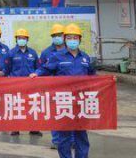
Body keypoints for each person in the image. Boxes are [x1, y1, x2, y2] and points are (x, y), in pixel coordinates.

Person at [31, 24, 95, 158]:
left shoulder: (85, 58)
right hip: (64, 101)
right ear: (65, 39)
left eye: (75, 37)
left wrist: (108, 81)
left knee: (81, 135)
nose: (72, 40)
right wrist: (36, 73)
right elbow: (45, 69)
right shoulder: (57, 56)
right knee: (64, 136)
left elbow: (92, 76)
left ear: (79, 39)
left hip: (80, 102)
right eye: (69, 37)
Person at [6, 28, 42, 137]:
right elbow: (8, 69)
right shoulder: (11, 53)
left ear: (27, 39)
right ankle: (15, 128)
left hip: (31, 84)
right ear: (16, 39)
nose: (21, 40)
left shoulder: (33, 53)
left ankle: (34, 128)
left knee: (32, 105)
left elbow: (37, 67)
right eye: (19, 38)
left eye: (24, 38)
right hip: (16, 84)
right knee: (16, 105)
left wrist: (35, 74)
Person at [40, 23, 68, 149]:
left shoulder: (71, 51)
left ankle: (71, 141)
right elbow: (42, 68)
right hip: (52, 90)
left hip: (70, 90)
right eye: (55, 35)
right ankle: (56, 141)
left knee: (70, 115)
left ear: (64, 36)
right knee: (55, 115)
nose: (57, 37)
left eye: (59, 35)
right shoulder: (46, 53)